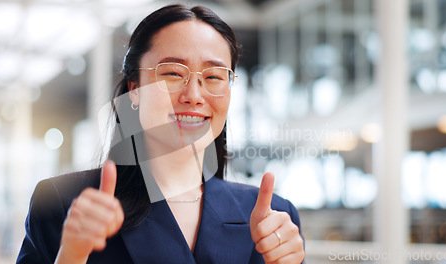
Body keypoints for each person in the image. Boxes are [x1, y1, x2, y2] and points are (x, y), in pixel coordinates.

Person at [17, 4, 305, 264]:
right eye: (173, 74)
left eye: (214, 77)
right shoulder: (62, 203)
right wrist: (70, 256)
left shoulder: (273, 218)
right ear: (135, 89)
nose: (194, 96)